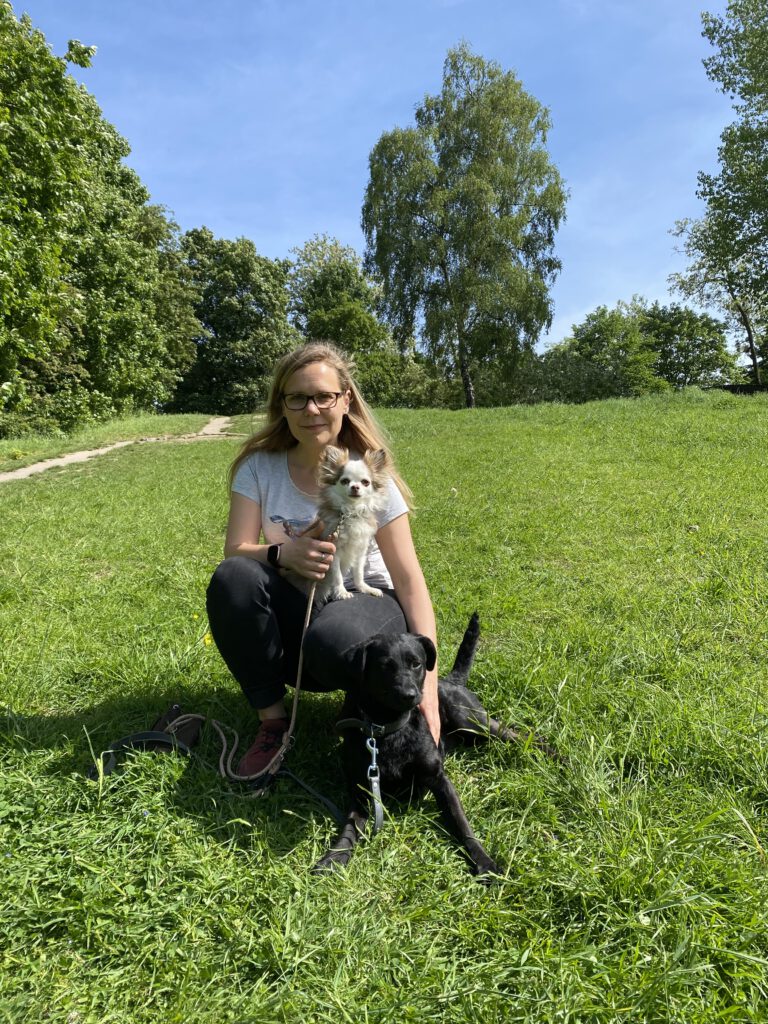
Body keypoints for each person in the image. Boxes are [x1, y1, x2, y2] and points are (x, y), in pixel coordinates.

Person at [206, 341, 439, 776]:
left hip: (365, 602)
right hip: (300, 605)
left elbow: (409, 579)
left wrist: (427, 683)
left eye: (323, 396)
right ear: (282, 405)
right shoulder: (259, 468)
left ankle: (370, 712)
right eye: (297, 397)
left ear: (345, 400)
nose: (311, 409)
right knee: (233, 577)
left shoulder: (370, 475)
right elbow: (235, 550)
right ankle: (272, 723)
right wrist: (283, 553)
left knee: (333, 639)